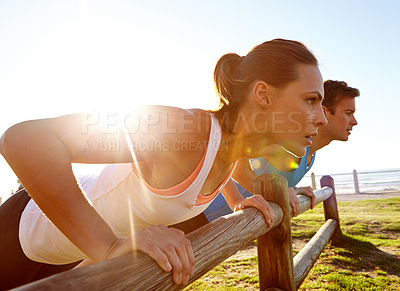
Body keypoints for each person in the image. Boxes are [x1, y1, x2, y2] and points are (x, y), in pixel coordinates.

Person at [0, 39, 327, 290]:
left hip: (64, 254)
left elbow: (228, 162)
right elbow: (24, 140)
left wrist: (239, 200)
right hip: (18, 233)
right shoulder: (180, 129)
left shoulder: (231, 145)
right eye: (311, 100)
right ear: (264, 95)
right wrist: (109, 245)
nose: (322, 118)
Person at [204, 80, 359, 222]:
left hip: (227, 223)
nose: (354, 121)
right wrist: (239, 199)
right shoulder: (286, 142)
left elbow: (274, 181)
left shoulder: (310, 153)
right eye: (348, 113)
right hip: (201, 214)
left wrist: (293, 190)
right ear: (325, 113)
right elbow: (231, 157)